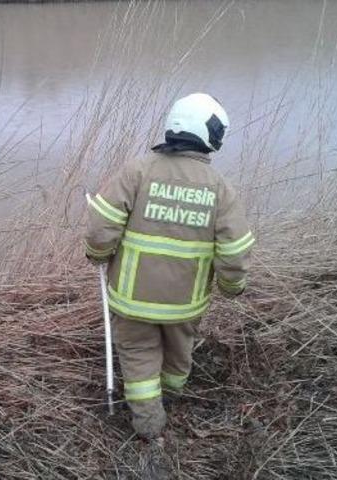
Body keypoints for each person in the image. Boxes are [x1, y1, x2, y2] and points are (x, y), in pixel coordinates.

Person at [83, 93, 254, 476]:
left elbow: (100, 227)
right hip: (185, 305)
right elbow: (235, 251)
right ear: (210, 135)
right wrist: (231, 287)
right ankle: (171, 397)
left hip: (132, 300)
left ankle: (149, 427)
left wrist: (97, 256)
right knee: (179, 355)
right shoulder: (219, 188)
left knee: (139, 358)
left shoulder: (137, 171)